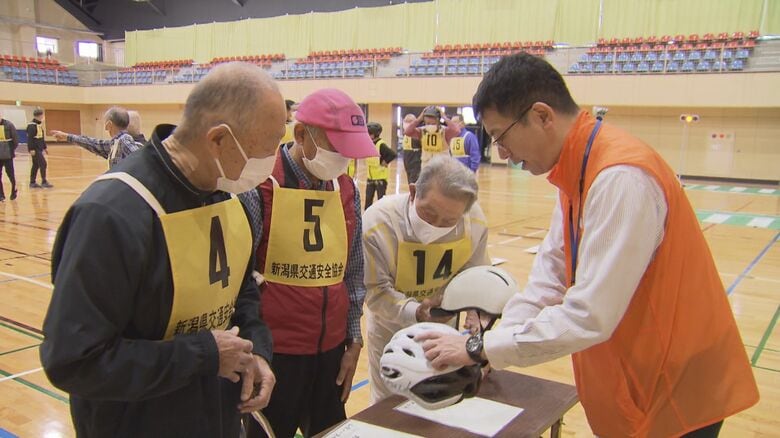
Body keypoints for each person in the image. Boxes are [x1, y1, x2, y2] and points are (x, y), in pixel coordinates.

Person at [418, 53, 759, 437]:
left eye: (501, 137)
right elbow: (549, 280)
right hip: (634, 376)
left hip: (674, 387)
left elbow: (588, 315)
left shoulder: (620, 177)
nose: (502, 153)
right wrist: (490, 343)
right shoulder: (576, 171)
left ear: (542, 116)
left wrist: (480, 348)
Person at [40, 62, 284, 437]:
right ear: (218, 139)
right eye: (264, 150)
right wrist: (202, 355)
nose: (269, 166)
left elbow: (243, 292)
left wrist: (258, 354)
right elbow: (74, 361)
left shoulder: (233, 197)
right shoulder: (111, 214)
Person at [239, 88, 377, 438]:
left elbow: (353, 271)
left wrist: (354, 338)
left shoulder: (346, 189)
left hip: (330, 350)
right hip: (275, 352)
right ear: (301, 135)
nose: (345, 159)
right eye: (338, 148)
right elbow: (239, 282)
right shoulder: (258, 186)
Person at [362, 155, 490, 403]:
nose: (437, 224)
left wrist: (476, 312)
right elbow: (375, 291)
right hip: (391, 327)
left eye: (449, 221)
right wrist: (417, 311)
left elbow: (476, 275)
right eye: (429, 213)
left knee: (442, 397)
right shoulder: (378, 222)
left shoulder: (474, 221)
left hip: (445, 329)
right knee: (389, 403)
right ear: (412, 192)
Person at [51, 106, 139, 169]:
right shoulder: (115, 143)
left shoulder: (124, 140)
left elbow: (141, 160)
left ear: (108, 125)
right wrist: (67, 137)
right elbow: (92, 143)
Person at [364, 121, 397, 210]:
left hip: (380, 178)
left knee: (380, 199)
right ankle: (367, 214)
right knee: (368, 198)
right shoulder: (369, 144)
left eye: (369, 134)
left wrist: (385, 162)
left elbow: (393, 154)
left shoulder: (381, 144)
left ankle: (381, 214)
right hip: (370, 177)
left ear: (374, 134)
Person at [27, 107, 53, 189]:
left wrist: (45, 148)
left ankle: (32, 182)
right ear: (39, 116)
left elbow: (41, 137)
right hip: (35, 149)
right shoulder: (31, 126)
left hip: (39, 148)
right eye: (42, 115)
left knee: (36, 165)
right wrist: (31, 149)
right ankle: (44, 181)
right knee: (43, 164)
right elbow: (30, 138)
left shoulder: (39, 125)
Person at [0, 111, 19, 201]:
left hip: (8, 155)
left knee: (10, 174)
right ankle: (1, 195)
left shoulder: (9, 125)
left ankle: (13, 190)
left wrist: (11, 150)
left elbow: (15, 140)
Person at [401, 114, 422, 185]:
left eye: (409, 121)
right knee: (409, 179)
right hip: (407, 158)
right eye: (406, 121)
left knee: (414, 180)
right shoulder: (405, 133)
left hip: (415, 158)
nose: (407, 123)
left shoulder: (417, 133)